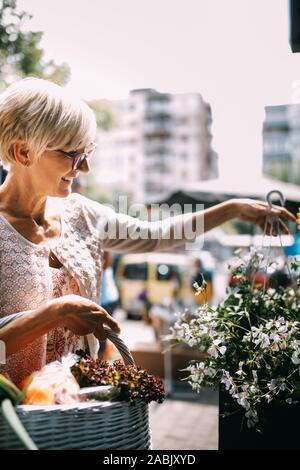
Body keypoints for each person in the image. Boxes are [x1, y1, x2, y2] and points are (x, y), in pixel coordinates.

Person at [0, 77, 296, 386]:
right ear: (24, 153)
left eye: (87, 153)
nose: (83, 168)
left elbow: (155, 234)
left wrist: (232, 209)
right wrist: (53, 314)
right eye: (72, 154)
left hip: (77, 411)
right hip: (15, 420)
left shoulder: (82, 214)